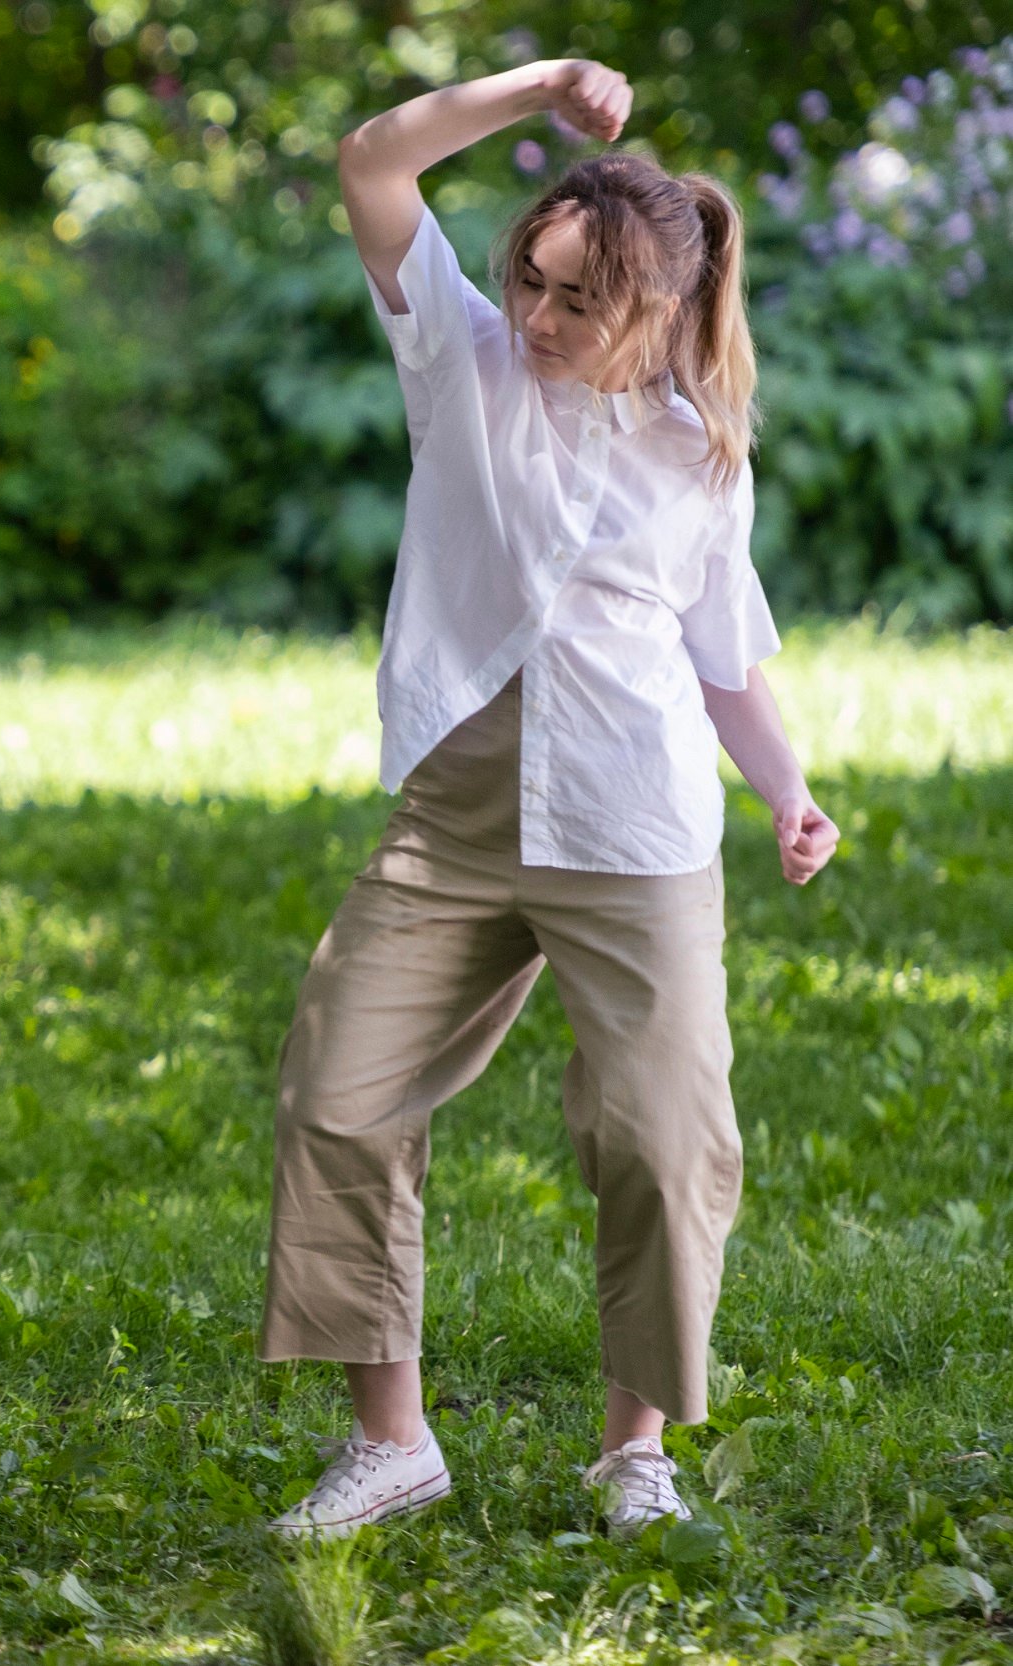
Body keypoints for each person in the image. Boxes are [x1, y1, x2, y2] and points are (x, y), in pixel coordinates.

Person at [259, 60, 838, 1540]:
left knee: (661, 1135)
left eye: (580, 300)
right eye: (532, 278)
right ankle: (393, 1442)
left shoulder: (702, 451)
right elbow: (377, 160)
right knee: (337, 1093)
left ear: (655, 305)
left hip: (633, 825)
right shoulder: (461, 364)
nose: (540, 317)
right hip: (455, 815)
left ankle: (631, 1449)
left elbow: (725, 660)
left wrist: (787, 790)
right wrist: (540, 90)